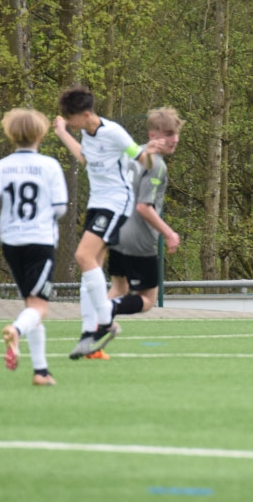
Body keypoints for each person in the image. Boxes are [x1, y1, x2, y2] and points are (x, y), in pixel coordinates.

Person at [54, 87, 167, 360]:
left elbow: (143, 160)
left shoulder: (114, 132)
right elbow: (85, 159)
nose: (68, 121)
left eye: (70, 118)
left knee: (82, 256)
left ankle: (105, 321)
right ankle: (88, 332)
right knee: (89, 266)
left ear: (85, 114)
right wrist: (63, 133)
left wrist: (150, 152)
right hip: (97, 203)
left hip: (116, 202)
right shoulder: (85, 133)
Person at [84, 107, 185, 360]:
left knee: (119, 286)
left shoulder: (131, 154)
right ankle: (105, 311)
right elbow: (144, 207)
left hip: (115, 231)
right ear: (153, 135)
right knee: (148, 299)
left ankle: (93, 341)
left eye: (176, 134)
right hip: (138, 238)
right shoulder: (156, 165)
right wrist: (169, 233)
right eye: (168, 134)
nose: (174, 139)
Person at [0, 108, 68, 386]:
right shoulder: (49, 166)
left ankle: (41, 372)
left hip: (11, 242)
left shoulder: (1, 166)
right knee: (39, 307)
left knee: (31, 306)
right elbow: (60, 208)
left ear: (11, 135)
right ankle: (16, 331)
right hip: (40, 241)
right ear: (41, 135)